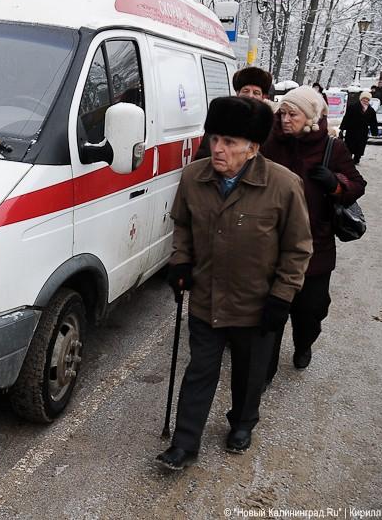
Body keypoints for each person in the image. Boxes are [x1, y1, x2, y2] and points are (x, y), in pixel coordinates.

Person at [156, 96, 313, 471]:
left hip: (257, 303)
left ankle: (242, 423)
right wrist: (180, 262)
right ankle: (184, 442)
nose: (218, 149)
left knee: (248, 373)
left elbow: (297, 248)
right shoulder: (195, 177)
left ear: (253, 148)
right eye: (214, 139)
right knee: (200, 371)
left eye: (230, 142)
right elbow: (182, 225)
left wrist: (282, 296)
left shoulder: (284, 185)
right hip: (207, 299)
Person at [261, 86, 365, 382]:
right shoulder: (272, 142)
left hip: (314, 242)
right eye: (282, 113)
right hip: (273, 240)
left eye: (292, 114)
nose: (284, 120)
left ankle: (304, 341)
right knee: (271, 309)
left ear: (310, 116)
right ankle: (263, 373)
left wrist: (335, 184)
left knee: (311, 310)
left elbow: (357, 185)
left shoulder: (333, 148)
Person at [195, 66, 274, 160]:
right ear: (237, 93)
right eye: (246, 91)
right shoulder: (221, 119)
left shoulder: (269, 125)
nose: (250, 96)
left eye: (256, 93)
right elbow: (204, 155)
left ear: (263, 97)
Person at [339, 90, 378, 164]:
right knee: (349, 145)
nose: (365, 100)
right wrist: (342, 127)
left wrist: (374, 131)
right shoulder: (353, 107)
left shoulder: (371, 110)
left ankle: (357, 158)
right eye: (364, 99)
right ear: (361, 99)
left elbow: (373, 122)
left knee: (360, 145)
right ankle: (348, 158)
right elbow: (347, 118)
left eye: (367, 99)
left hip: (363, 131)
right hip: (352, 130)